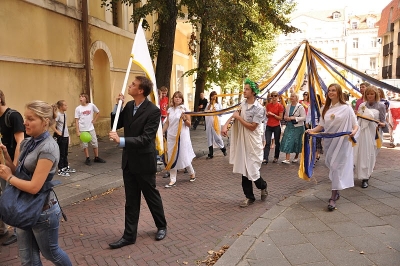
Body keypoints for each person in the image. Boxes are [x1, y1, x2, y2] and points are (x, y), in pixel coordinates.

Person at [0, 100, 72, 265]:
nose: (24, 122)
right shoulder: (27, 142)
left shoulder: (48, 148)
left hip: (43, 211)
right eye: (25, 117)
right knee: (27, 259)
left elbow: (34, 187)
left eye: (30, 118)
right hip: (23, 207)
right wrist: (5, 154)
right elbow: (17, 170)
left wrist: (8, 178)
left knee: (52, 254)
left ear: (45, 121)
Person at [109, 76, 167, 249]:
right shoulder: (128, 106)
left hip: (144, 161)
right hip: (129, 162)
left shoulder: (153, 111)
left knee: (151, 196)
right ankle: (129, 236)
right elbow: (115, 123)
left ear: (141, 91)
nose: (129, 86)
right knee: (131, 200)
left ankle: (161, 226)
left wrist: (121, 141)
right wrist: (117, 106)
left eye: (133, 85)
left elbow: (146, 139)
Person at [306, 84, 358, 211]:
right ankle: (337, 188)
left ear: (339, 92)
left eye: (333, 90)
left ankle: (333, 197)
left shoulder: (347, 108)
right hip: (329, 142)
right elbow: (321, 126)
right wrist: (312, 131)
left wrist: (354, 132)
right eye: (329, 91)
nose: (331, 92)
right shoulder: (325, 108)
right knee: (330, 164)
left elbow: (355, 124)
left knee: (336, 167)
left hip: (342, 142)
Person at [221, 78, 267, 208]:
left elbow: (252, 127)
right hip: (243, 140)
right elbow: (235, 114)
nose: (244, 91)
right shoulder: (243, 104)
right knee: (244, 169)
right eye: (244, 88)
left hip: (253, 141)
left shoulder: (259, 109)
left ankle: (263, 186)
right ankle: (249, 197)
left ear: (253, 92)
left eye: (247, 89)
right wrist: (225, 125)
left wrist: (238, 118)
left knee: (252, 169)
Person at [0, 90, 25, 246]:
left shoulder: (13, 116)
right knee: (4, 197)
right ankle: (4, 228)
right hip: (3, 162)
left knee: (12, 198)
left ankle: (18, 231)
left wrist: (14, 166)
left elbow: (20, 142)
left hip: (13, 164)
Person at [354, 86, 387, 188]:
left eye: (372, 94)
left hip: (375, 134)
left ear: (376, 94)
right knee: (363, 154)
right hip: (363, 133)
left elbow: (383, 121)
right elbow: (357, 119)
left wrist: (382, 124)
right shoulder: (362, 105)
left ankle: (368, 174)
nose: (370, 96)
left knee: (371, 155)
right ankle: (364, 177)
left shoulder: (381, 106)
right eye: (368, 94)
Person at [162, 91, 196, 187]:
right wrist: (162, 132)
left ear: (182, 99)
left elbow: (189, 124)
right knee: (172, 156)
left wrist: (184, 118)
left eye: (179, 97)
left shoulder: (184, 109)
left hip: (182, 136)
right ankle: (172, 179)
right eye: (175, 97)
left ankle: (191, 172)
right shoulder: (170, 110)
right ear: (173, 98)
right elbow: (167, 123)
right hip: (171, 136)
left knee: (183, 155)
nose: (177, 99)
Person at [74, 93, 106, 166]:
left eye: (82, 97)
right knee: (84, 145)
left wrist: (94, 120)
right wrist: (77, 131)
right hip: (83, 129)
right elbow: (76, 120)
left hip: (91, 128)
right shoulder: (78, 108)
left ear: (86, 98)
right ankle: (87, 158)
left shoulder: (91, 105)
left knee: (94, 142)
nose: (80, 98)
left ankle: (96, 157)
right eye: (80, 97)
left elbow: (98, 112)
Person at [51, 100, 76, 177]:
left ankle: (65, 167)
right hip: (60, 137)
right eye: (65, 105)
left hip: (65, 136)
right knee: (61, 153)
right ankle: (60, 169)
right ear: (61, 107)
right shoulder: (58, 115)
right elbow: (52, 125)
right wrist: (57, 132)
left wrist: (68, 136)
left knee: (65, 153)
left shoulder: (65, 114)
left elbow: (65, 126)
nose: (67, 106)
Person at [280, 93, 306, 164]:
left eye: (293, 96)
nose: (291, 98)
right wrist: (286, 118)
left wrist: (294, 118)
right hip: (289, 126)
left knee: (297, 142)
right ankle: (287, 158)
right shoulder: (288, 106)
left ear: (297, 98)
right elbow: (285, 115)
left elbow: (304, 117)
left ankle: (296, 157)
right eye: (291, 96)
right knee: (287, 140)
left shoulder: (300, 107)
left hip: (298, 127)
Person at [262, 91, 284, 164]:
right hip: (269, 125)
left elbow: (280, 118)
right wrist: (267, 114)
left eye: (275, 96)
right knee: (267, 142)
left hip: (276, 126)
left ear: (278, 97)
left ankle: (276, 157)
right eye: (273, 96)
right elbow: (267, 116)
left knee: (277, 142)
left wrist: (273, 115)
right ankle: (265, 158)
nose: (274, 97)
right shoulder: (268, 105)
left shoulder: (280, 106)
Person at [204, 91, 227, 159]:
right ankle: (211, 153)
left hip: (216, 123)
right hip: (209, 123)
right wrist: (210, 104)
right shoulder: (208, 104)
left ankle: (223, 149)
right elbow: (206, 111)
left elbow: (221, 113)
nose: (213, 97)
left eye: (215, 96)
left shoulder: (218, 104)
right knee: (209, 138)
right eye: (212, 96)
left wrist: (216, 111)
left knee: (217, 137)